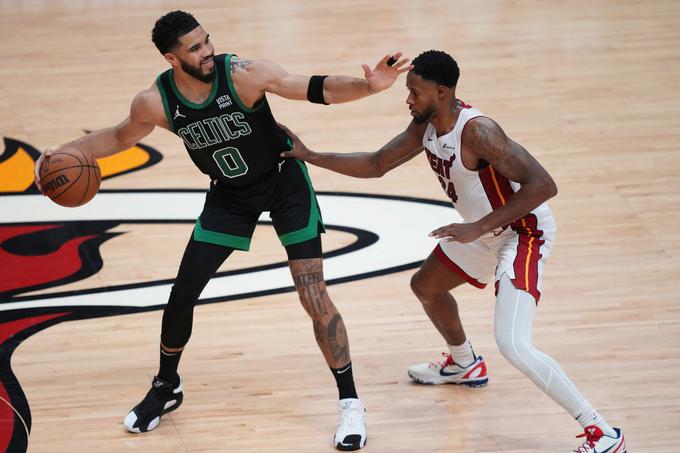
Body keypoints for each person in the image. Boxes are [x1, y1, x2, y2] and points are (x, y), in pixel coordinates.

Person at [33, 10, 411, 451]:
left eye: (207, 40)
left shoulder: (244, 75)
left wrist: (368, 86)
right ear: (173, 59)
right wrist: (63, 151)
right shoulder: (155, 102)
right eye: (195, 48)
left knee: (312, 293)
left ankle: (350, 403)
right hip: (230, 197)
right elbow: (118, 137)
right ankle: (166, 386)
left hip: (284, 182)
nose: (208, 51)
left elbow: (312, 87)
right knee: (182, 293)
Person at [279, 50, 626, 452]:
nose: (408, 99)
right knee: (427, 286)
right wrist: (311, 156)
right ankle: (465, 363)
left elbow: (543, 185)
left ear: (441, 93)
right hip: (481, 232)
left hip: (520, 233)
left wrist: (478, 226)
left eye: (414, 92)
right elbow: (377, 164)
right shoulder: (425, 125)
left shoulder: (478, 132)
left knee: (514, 344)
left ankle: (603, 432)